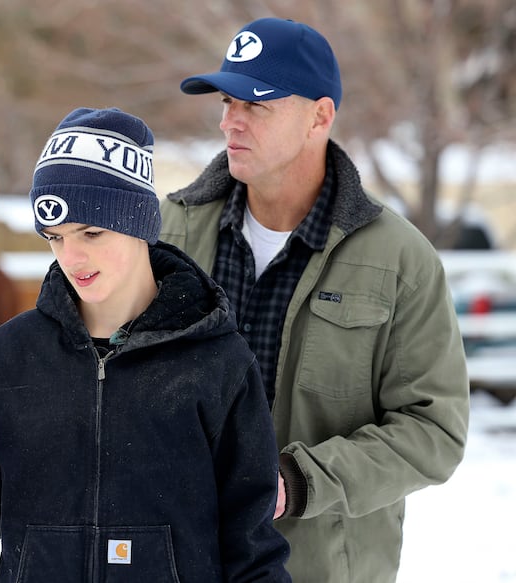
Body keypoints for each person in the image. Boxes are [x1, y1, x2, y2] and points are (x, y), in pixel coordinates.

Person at [0, 107, 291, 582]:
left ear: (138, 222)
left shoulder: (216, 362)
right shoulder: (6, 358)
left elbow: (251, 546)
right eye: (54, 237)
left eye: (91, 233)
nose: (72, 258)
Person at [160, 17, 470, 583]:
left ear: (320, 116)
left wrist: (298, 481)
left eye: (256, 105)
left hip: (318, 568)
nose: (230, 123)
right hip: (178, 558)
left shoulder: (401, 260)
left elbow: (434, 431)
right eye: (226, 102)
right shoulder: (166, 233)